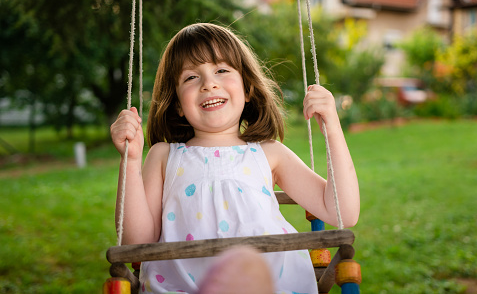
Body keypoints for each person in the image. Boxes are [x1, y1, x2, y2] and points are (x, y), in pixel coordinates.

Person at [110, 23, 360, 294]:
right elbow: (136, 243)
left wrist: (333, 129)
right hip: (184, 288)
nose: (209, 84)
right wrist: (131, 162)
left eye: (221, 70)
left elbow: (342, 212)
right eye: (191, 77)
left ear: (248, 88)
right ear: (178, 105)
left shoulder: (267, 152)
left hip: (269, 285)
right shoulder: (164, 156)